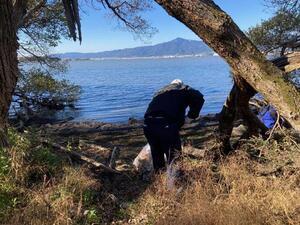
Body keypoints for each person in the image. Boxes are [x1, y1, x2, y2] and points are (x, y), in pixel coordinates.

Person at [143, 79, 205, 171]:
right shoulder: (183, 89)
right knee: (174, 157)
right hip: (166, 125)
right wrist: (191, 116)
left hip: (148, 125)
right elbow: (199, 97)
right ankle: (175, 182)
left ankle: (160, 181)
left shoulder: (160, 92)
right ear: (180, 85)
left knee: (157, 156)